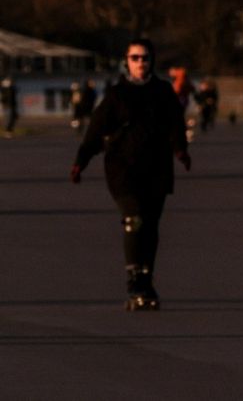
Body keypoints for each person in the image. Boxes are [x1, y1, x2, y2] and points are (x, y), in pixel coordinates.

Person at [69, 38, 191, 310]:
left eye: (145, 57)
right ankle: (134, 278)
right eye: (135, 58)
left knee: (151, 225)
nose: (140, 63)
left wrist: (181, 150)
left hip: (157, 168)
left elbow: (176, 124)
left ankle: (146, 279)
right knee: (134, 220)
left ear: (152, 61)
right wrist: (81, 161)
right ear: (127, 62)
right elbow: (95, 130)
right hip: (123, 169)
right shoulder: (117, 94)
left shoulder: (163, 91)